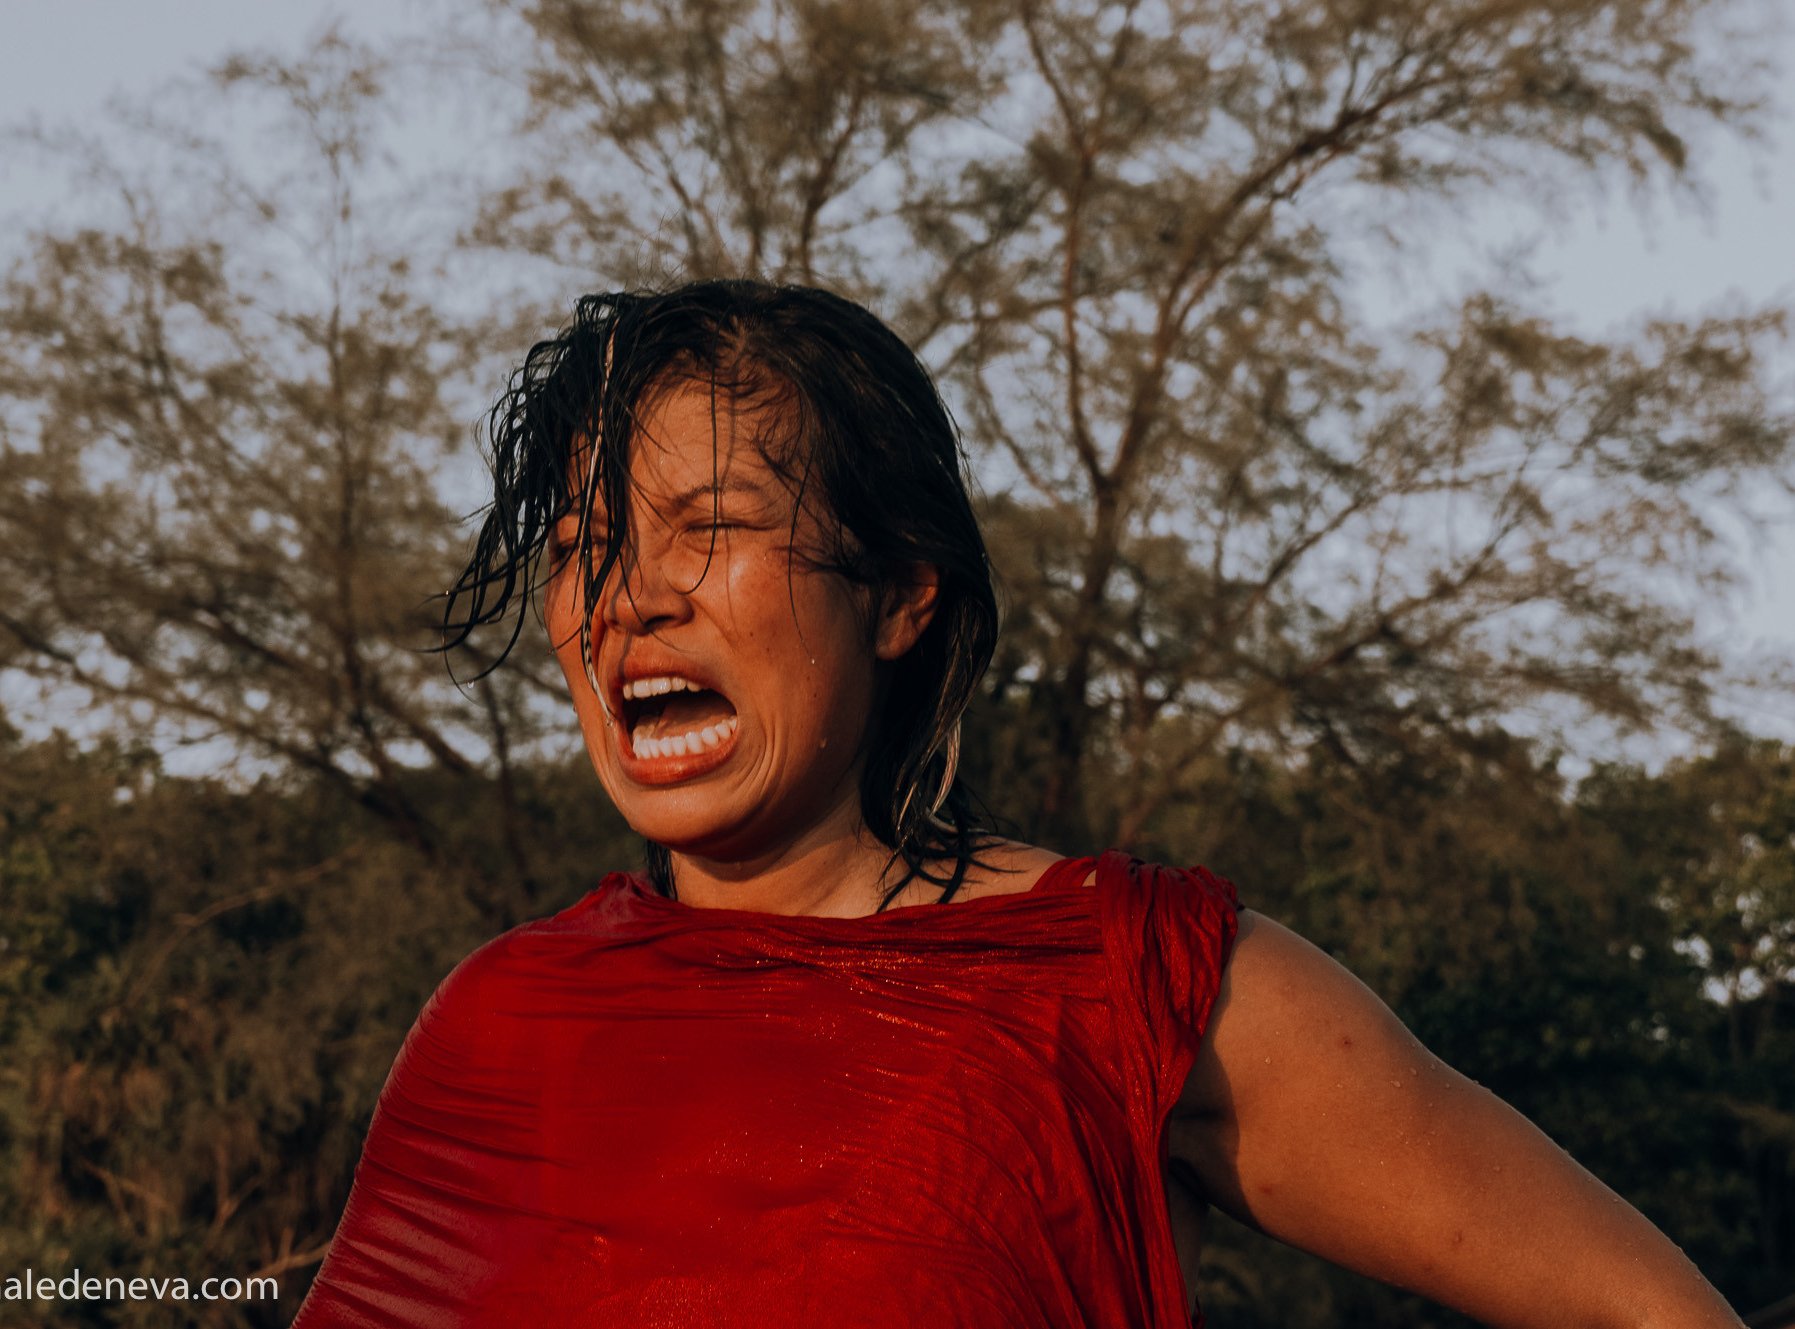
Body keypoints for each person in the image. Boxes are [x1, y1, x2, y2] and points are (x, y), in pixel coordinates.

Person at [292, 280, 1739, 1327]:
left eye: (711, 524)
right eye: (585, 544)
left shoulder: (1124, 984)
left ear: (901, 596)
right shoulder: (501, 1021)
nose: (631, 596)